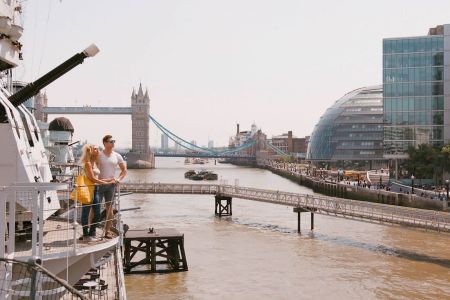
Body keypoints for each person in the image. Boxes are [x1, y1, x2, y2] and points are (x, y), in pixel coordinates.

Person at [79, 144, 113, 242]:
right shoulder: (87, 163)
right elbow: (93, 178)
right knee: (85, 213)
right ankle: (86, 235)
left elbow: (98, 178)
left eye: (98, 149)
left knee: (97, 214)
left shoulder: (94, 163)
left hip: (96, 190)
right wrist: (107, 182)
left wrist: (110, 179)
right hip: (88, 189)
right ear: (90, 151)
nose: (97, 150)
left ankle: (92, 233)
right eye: (95, 149)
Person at [97, 135, 127, 239]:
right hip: (99, 184)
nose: (113, 143)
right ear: (105, 143)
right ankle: (89, 231)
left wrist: (118, 179)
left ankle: (107, 231)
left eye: (114, 141)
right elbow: (93, 168)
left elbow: (124, 170)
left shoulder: (117, 156)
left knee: (109, 209)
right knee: (94, 208)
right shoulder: (99, 155)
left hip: (111, 185)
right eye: (111, 141)